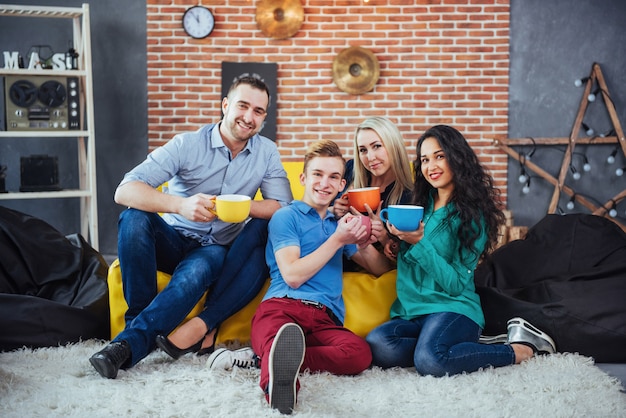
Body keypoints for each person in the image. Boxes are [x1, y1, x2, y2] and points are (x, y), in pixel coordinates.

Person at [89, 75, 293, 379]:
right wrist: (180, 205)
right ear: (225, 105)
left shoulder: (266, 153)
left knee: (200, 268)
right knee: (133, 218)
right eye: (243, 106)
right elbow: (125, 190)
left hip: (212, 251)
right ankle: (137, 329)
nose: (249, 118)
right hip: (169, 238)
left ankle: (126, 344)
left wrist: (239, 206)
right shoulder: (187, 143)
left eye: (259, 111)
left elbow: (283, 206)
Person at [207, 140, 393, 414]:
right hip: (281, 308)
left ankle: (263, 359)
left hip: (323, 318)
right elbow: (293, 275)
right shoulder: (286, 217)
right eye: (317, 174)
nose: (324, 183)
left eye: (333, 177)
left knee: (359, 354)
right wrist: (338, 240)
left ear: (342, 185)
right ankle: (280, 389)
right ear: (303, 178)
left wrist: (364, 241)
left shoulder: (338, 225)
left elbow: (381, 270)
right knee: (277, 337)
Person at [366, 125, 556, 377]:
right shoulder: (419, 204)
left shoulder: (473, 217)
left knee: (431, 361)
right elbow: (414, 257)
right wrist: (395, 243)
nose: (431, 166)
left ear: (456, 157)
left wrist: (418, 243)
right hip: (411, 311)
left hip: (452, 307)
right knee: (379, 346)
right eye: (424, 159)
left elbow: (455, 284)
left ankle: (519, 351)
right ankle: (461, 345)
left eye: (439, 156)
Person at [332, 116, 413, 268]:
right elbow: (322, 216)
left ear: (393, 145)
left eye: (376, 146)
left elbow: (405, 256)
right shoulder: (351, 170)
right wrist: (334, 209)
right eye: (363, 150)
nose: (370, 158)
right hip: (333, 251)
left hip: (363, 260)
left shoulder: (407, 195)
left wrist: (382, 235)